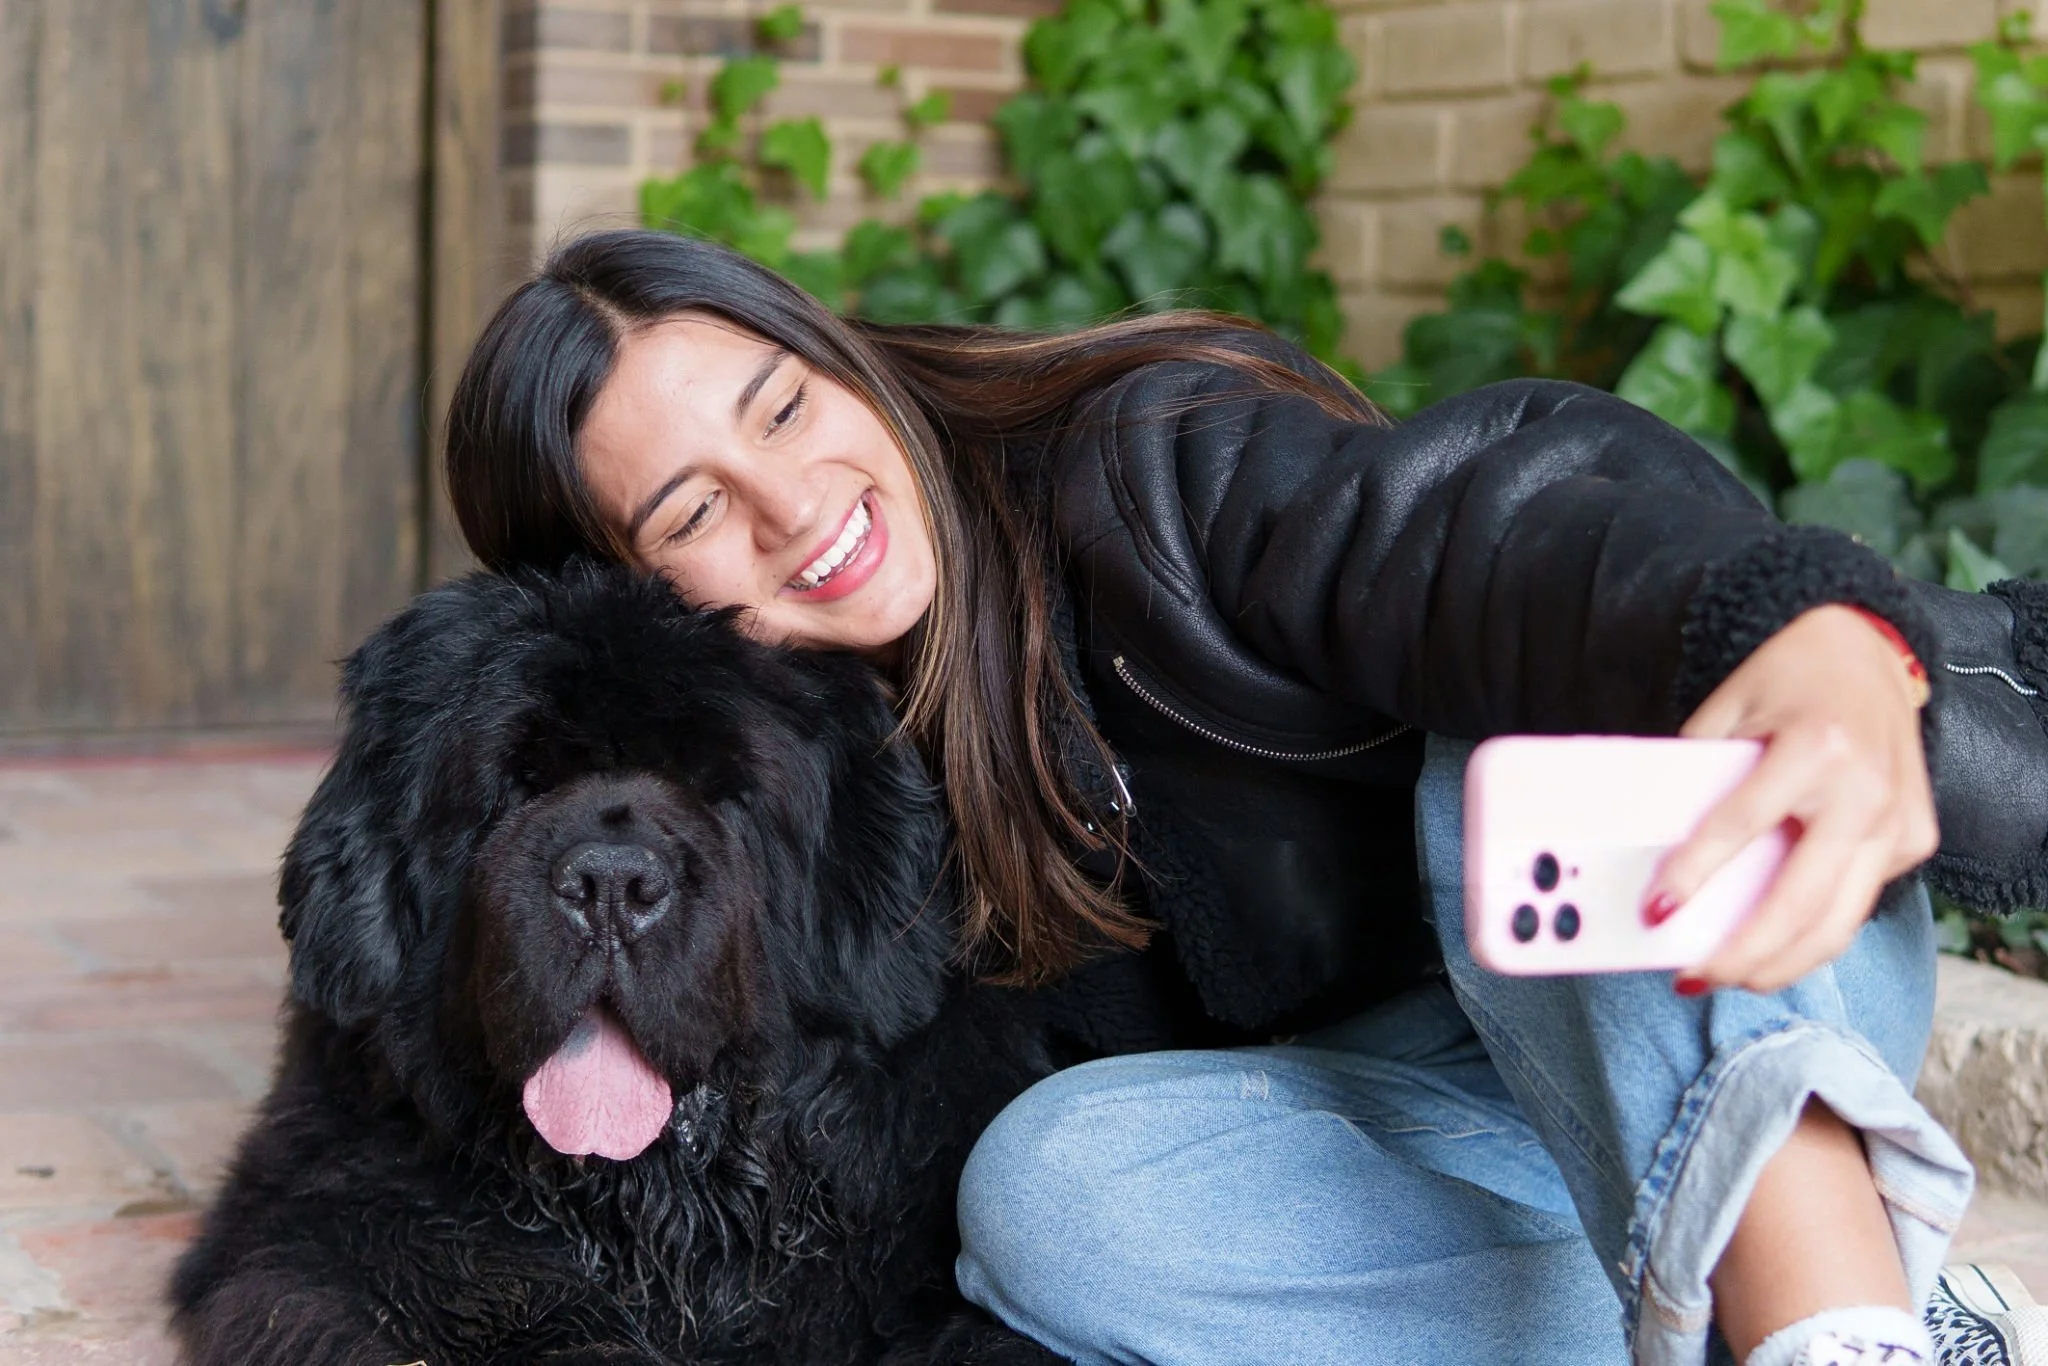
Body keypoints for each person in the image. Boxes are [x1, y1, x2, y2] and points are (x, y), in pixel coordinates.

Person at [442, 227, 2048, 1366]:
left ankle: (1841, 1334)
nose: (796, 505)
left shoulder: (1145, 465)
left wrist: (1816, 637)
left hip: (1719, 965)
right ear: (632, 598)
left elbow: (1500, 518)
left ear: (843, 360)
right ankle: (1872, 1306)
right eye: (694, 511)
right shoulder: (815, 781)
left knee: (1506, 749)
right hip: (1468, 1133)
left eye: (783, 407)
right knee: (1043, 1199)